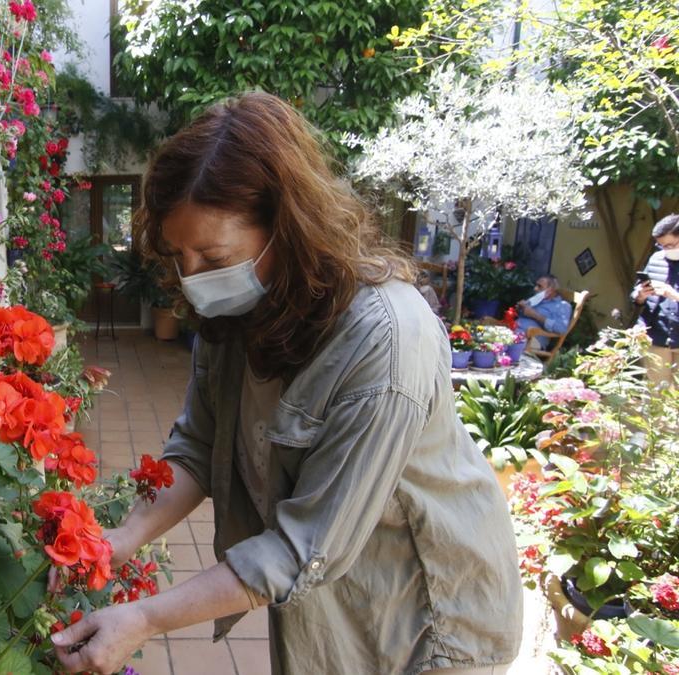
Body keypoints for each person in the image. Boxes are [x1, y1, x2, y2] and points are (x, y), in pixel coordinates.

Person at [50, 93, 521, 674]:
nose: (193, 281)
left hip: (431, 621)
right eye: (179, 256)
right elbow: (198, 448)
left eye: (213, 255)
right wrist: (121, 539)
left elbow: (304, 549)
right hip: (323, 603)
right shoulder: (239, 312)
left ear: (288, 229)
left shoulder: (387, 342)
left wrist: (144, 618)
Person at [631, 213, 679, 385]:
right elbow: (636, 294)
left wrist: (674, 295)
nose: (666, 250)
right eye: (661, 246)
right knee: (656, 394)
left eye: (670, 245)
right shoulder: (656, 258)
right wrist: (640, 295)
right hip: (657, 335)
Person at [515, 275, 572, 349]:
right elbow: (523, 315)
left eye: (539, 286)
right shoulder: (537, 298)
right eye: (536, 285)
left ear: (550, 290)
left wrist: (535, 315)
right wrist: (520, 308)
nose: (535, 288)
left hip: (533, 338)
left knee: (503, 340)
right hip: (516, 330)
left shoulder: (562, 306)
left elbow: (561, 329)